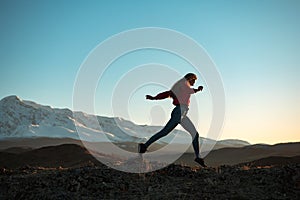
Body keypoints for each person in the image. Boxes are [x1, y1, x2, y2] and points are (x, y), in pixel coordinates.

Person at [138, 73, 207, 167]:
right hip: (179, 112)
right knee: (164, 132)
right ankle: (144, 146)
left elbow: (167, 94)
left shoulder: (180, 86)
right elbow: (188, 91)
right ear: (190, 79)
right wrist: (197, 90)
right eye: (194, 80)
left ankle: (198, 157)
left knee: (195, 134)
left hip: (182, 114)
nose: (194, 82)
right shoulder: (184, 84)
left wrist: (154, 98)